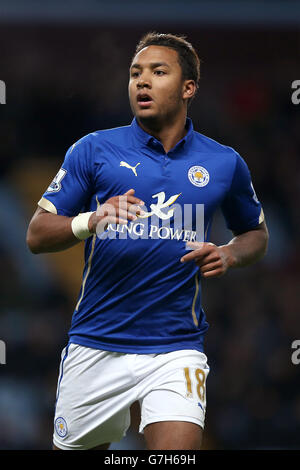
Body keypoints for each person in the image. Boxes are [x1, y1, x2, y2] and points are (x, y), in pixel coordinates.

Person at [26, 32, 269, 451]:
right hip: (97, 343)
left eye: (158, 72)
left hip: (176, 347)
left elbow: (255, 233)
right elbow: (36, 234)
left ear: (188, 88)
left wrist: (229, 254)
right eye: (136, 73)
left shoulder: (224, 162)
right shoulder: (94, 150)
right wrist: (91, 219)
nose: (142, 81)